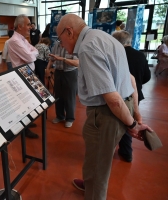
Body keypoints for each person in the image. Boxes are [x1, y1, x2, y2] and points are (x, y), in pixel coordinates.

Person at [56, 14, 152, 200]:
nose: (60, 44)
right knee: (100, 158)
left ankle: (94, 192)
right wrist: (135, 113)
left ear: (69, 32)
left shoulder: (87, 47)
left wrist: (133, 125)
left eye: (60, 38)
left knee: (99, 166)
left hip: (106, 114)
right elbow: (130, 80)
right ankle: (90, 183)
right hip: (125, 105)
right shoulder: (106, 37)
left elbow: (113, 99)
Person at [112, 30, 151, 162]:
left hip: (119, 95)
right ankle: (126, 152)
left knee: (120, 122)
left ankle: (109, 150)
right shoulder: (140, 55)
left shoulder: (116, 55)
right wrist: (138, 84)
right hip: (136, 94)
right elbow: (147, 76)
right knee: (131, 121)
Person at [8, 14, 39, 139]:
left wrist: (32, 53)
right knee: (24, 102)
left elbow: (34, 50)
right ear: (19, 26)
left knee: (30, 101)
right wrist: (32, 53)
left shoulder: (23, 39)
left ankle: (28, 122)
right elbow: (30, 57)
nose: (30, 27)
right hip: (22, 74)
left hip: (28, 73)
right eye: (28, 24)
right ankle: (24, 129)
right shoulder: (15, 41)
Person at [47, 41, 79, 128]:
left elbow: (77, 63)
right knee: (58, 96)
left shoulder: (74, 44)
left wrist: (62, 59)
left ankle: (70, 118)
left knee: (69, 96)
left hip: (70, 73)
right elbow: (52, 58)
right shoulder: (56, 44)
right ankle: (60, 116)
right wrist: (47, 68)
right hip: (58, 72)